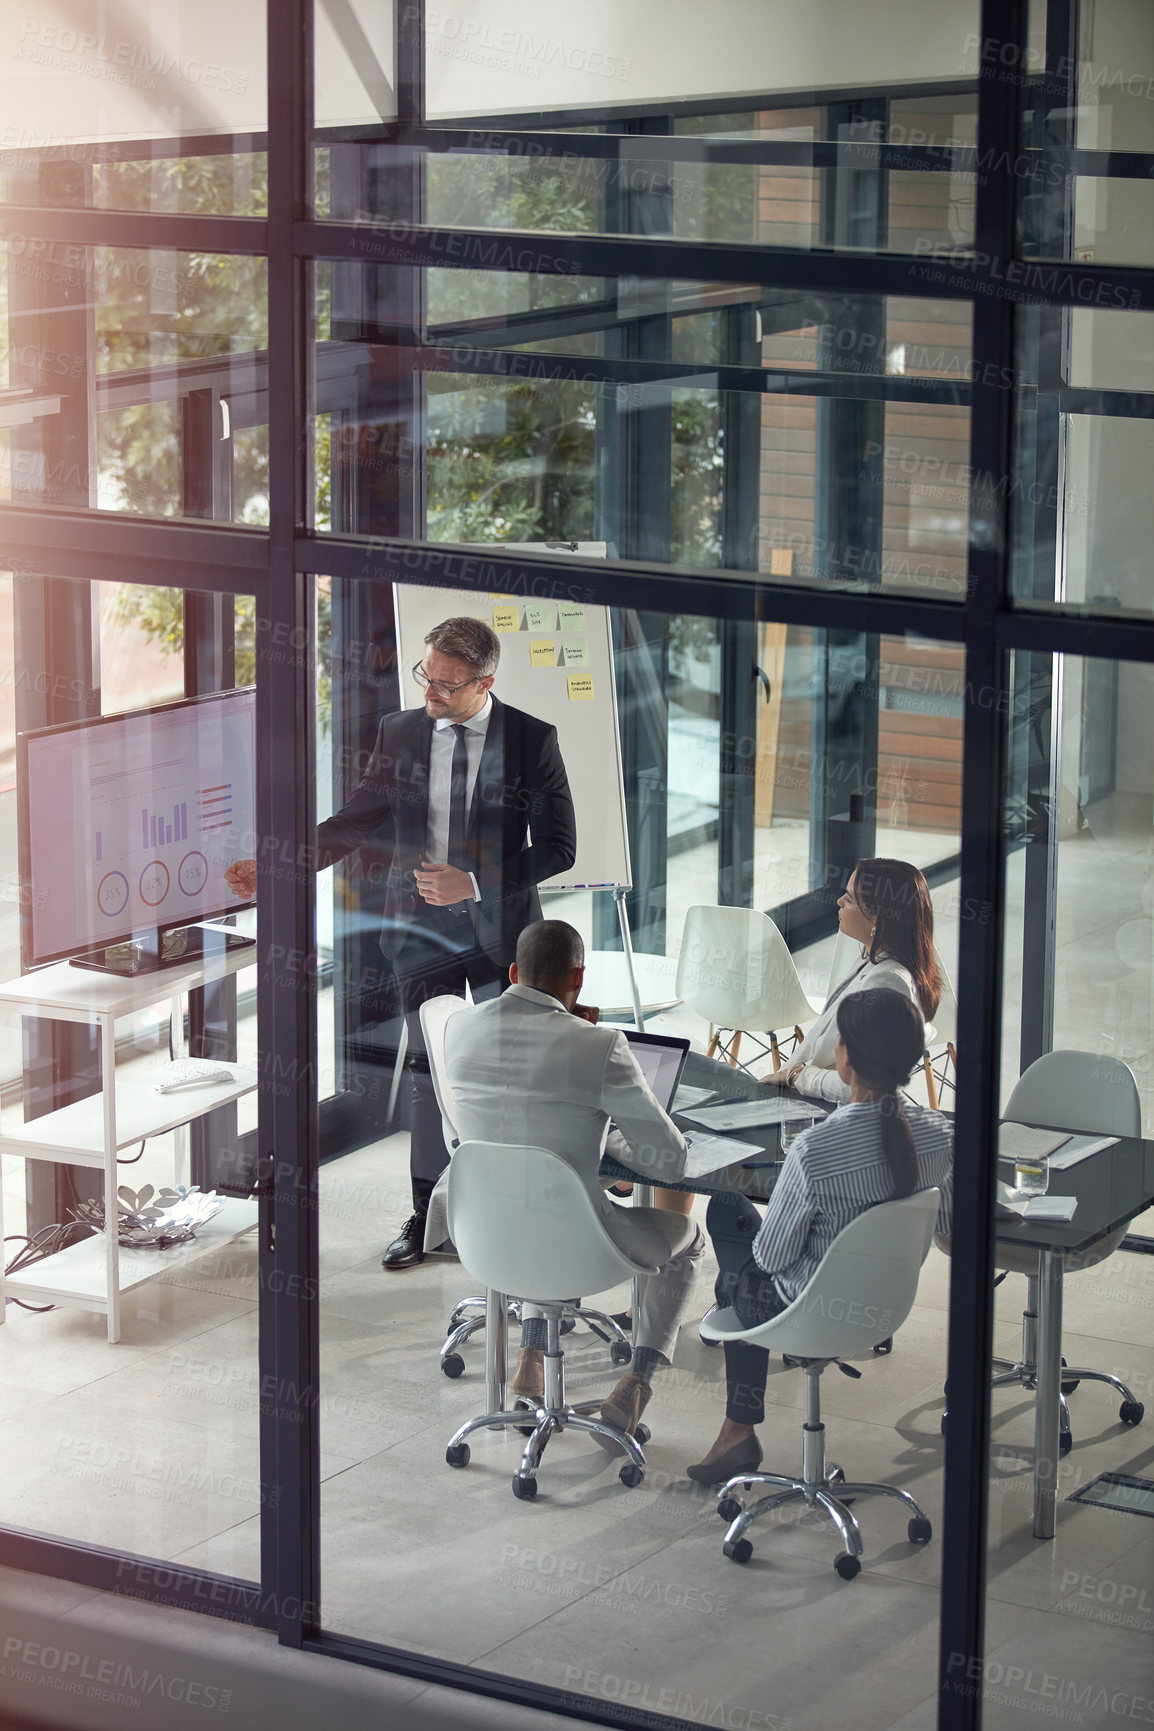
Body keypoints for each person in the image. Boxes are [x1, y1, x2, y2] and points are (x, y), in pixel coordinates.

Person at [225, 615, 576, 1269]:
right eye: (427, 677)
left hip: (500, 931)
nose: (431, 694)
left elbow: (559, 846)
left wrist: (472, 880)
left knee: (512, 1071)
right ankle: (429, 1219)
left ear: (484, 682)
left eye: (446, 685)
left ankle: (523, 1210)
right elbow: (356, 819)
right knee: (427, 1073)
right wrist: (279, 861)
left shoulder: (531, 740)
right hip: (419, 933)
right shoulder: (401, 733)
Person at [435, 919, 706, 1444]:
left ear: (514, 971)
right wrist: (595, 1079)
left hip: (484, 1234)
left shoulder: (460, 1028)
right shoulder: (600, 1045)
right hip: (574, 1241)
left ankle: (530, 1356)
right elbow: (668, 1160)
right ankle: (635, 1385)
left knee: (543, 1208)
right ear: (578, 980)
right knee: (689, 1241)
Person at [686, 989, 952, 1484]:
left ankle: (737, 1431)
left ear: (845, 1058)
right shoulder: (939, 1133)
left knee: (732, 1235)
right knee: (740, 1270)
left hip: (808, 1308)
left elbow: (771, 1257)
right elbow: (948, 1224)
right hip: (883, 1307)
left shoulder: (815, 1149)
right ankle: (734, 1429)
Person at [762, 857, 941, 1104]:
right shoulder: (870, 959)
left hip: (830, 1113)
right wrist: (785, 1073)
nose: (839, 902)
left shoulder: (888, 984)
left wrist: (797, 1077)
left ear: (878, 918)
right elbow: (815, 1039)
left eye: (849, 899)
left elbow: (864, 1089)